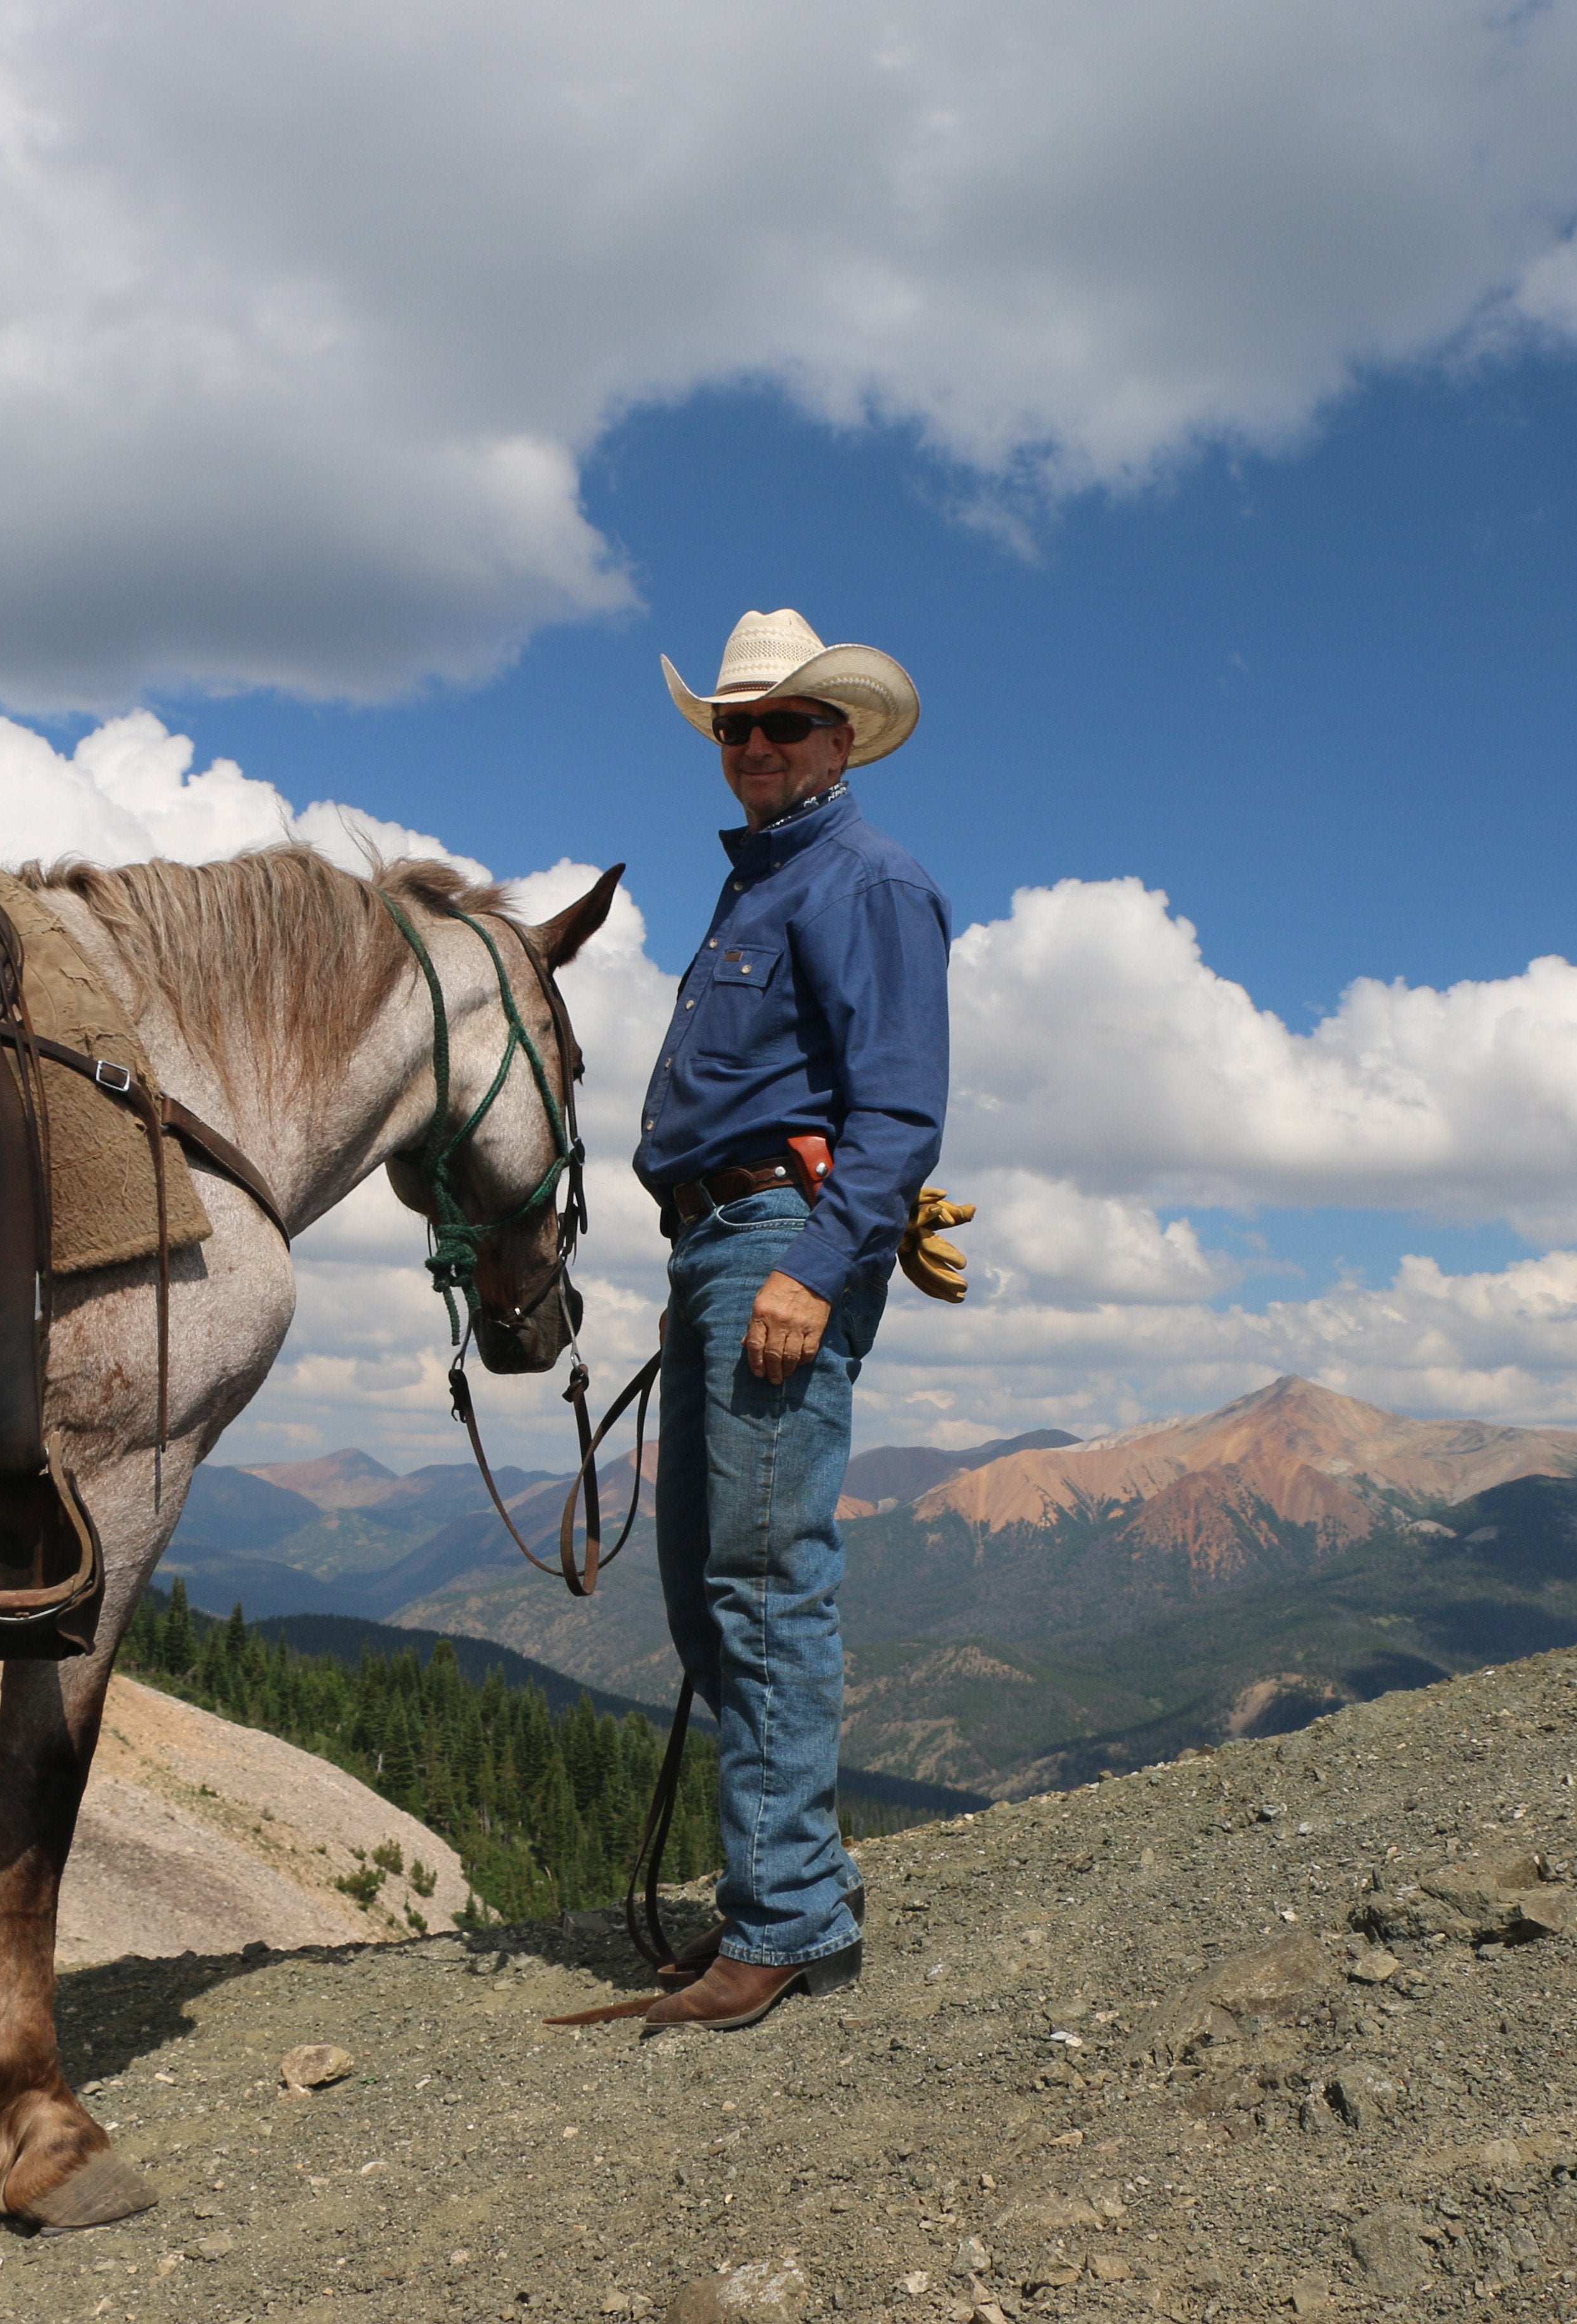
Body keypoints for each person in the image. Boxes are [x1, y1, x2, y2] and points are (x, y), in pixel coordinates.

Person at [634, 608, 950, 2032]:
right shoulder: (765, 883)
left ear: (838, 739)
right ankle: (790, 1881)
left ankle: (783, 1924)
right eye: (733, 726)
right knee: (712, 1575)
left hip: (777, 1240)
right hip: (718, 1241)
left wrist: (810, 1270)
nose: (753, 745)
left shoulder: (865, 880)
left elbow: (897, 1114)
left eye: (781, 724)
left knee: (762, 1579)